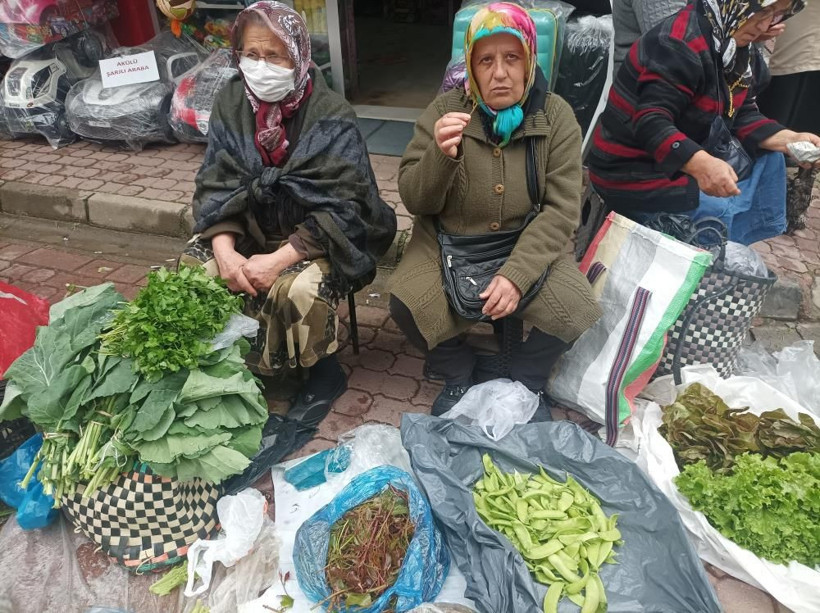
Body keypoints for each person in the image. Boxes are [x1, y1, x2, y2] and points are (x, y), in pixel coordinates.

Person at [181, 1, 396, 426]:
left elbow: (348, 208)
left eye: (274, 55)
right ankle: (235, 360)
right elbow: (215, 183)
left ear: (297, 56)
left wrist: (280, 258)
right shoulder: (230, 102)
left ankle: (322, 374)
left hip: (320, 237)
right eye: (251, 54)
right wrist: (225, 251)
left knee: (298, 288)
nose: (261, 67)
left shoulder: (332, 115)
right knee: (194, 266)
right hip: (251, 226)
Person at [389, 3, 602, 417]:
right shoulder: (443, 111)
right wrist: (439, 155)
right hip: (449, 243)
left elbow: (561, 211)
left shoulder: (555, 116)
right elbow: (416, 201)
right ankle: (457, 371)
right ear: (470, 65)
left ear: (529, 63)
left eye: (511, 58)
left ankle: (526, 378)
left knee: (577, 306)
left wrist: (517, 274)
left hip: (525, 241)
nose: (499, 72)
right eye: (486, 60)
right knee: (406, 301)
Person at [587, 0, 820, 245]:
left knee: (772, 159)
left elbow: (740, 111)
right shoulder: (678, 44)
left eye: (774, 14)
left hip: (688, 146)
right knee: (717, 213)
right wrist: (700, 164)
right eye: (760, 12)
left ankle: (726, 245)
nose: (764, 25)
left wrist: (790, 139)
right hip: (634, 170)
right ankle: (712, 250)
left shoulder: (734, 42)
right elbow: (651, 122)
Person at [757, 0, 820, 231]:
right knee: (781, 127)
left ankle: (787, 207)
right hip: (799, 53)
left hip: (805, 55)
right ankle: (777, 204)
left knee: (805, 134)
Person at [611, 0, 784, 75]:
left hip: (710, 97)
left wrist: (752, 28)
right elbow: (675, 48)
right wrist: (740, 34)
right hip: (651, 102)